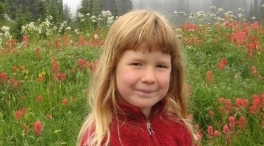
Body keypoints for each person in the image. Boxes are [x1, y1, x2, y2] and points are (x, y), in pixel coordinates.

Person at [77, 9, 196, 146]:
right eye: (137, 64)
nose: (149, 78)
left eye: (161, 66)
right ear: (112, 68)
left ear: (173, 72)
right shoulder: (100, 139)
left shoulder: (179, 128)